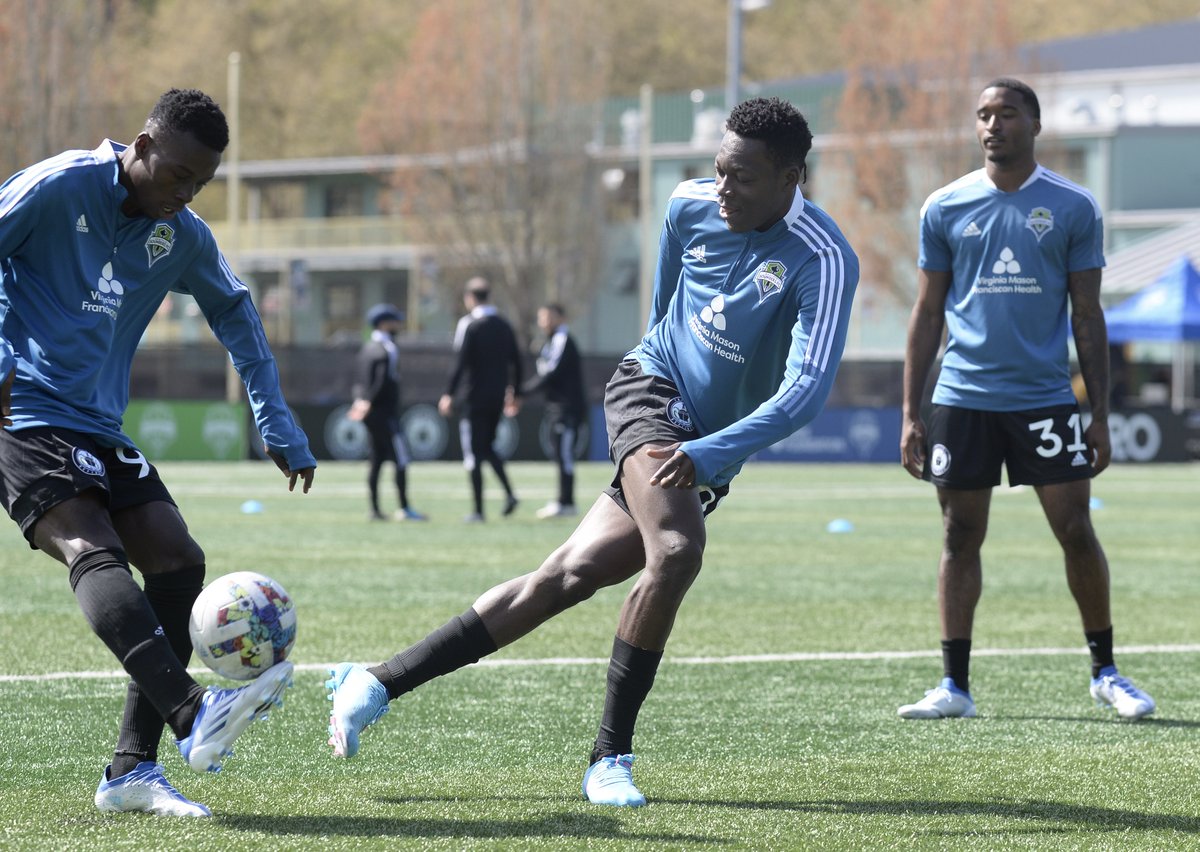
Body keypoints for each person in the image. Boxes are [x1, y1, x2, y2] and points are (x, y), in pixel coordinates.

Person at [325, 97, 858, 806]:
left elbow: (806, 391)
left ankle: (375, 682)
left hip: (706, 447)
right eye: (720, 171)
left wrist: (710, 452)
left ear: (792, 178)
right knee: (677, 551)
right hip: (651, 389)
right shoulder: (689, 204)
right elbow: (663, 311)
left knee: (565, 576)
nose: (724, 190)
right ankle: (610, 758)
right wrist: (666, 407)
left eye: (745, 178)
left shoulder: (824, 258)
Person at [0, 88, 316, 817]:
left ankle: (131, 772)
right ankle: (193, 711)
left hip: (98, 421)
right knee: (92, 545)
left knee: (177, 558)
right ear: (141, 147)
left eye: (200, 183)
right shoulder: (60, 186)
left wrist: (275, 418)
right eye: (178, 175)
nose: (185, 194)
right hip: (22, 409)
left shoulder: (181, 234)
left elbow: (235, 308)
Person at [898, 78, 1155, 721]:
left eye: (1007, 113)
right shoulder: (944, 206)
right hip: (962, 397)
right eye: (984, 114)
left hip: (1043, 398)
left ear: (1035, 125)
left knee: (1075, 529)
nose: (994, 125)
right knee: (960, 534)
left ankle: (1106, 672)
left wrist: (1100, 415)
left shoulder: (1073, 206)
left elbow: (1087, 314)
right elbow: (926, 313)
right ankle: (954, 686)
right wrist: (909, 413)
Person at [438, 277, 522, 522]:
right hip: (496, 397)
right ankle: (509, 494)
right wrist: (515, 392)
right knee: (487, 447)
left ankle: (478, 510)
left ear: (470, 298)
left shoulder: (469, 324)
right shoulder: (504, 325)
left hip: (472, 397)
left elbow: (459, 362)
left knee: (473, 453)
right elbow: (516, 361)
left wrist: (449, 393)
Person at [348, 303, 426, 522]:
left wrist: (360, 402)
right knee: (401, 459)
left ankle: (374, 510)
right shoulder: (387, 348)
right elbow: (382, 380)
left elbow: (358, 381)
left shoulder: (366, 348)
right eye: (394, 321)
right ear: (383, 324)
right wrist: (369, 401)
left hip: (370, 415)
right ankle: (405, 508)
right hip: (386, 413)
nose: (398, 325)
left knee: (376, 460)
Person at [517, 303, 587, 519]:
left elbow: (549, 374)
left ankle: (566, 502)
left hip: (567, 408)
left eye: (548, 317)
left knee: (564, 454)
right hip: (556, 407)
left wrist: (521, 392)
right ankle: (563, 501)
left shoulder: (562, 339)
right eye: (542, 318)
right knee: (559, 453)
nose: (544, 322)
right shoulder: (549, 341)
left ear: (560, 318)